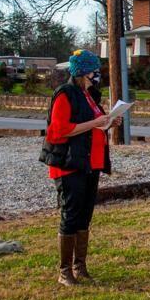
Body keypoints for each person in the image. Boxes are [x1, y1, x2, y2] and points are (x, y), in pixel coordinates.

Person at [40, 49, 119, 287]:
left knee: (85, 215)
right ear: (83, 72)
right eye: (94, 71)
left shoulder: (89, 95)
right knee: (71, 214)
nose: (98, 75)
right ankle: (65, 271)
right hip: (69, 164)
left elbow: (95, 124)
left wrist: (109, 122)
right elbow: (59, 130)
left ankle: (80, 266)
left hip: (90, 163)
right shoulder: (65, 94)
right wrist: (95, 122)